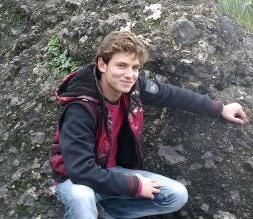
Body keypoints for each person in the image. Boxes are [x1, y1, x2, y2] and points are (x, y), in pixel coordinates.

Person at [49, 31, 247, 219]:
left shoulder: (133, 89)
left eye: (135, 68)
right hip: (75, 180)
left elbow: (172, 95)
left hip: (112, 172)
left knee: (176, 195)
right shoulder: (81, 108)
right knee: (82, 198)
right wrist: (134, 185)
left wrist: (219, 108)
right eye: (121, 66)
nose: (129, 74)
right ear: (102, 64)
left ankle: (107, 213)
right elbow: (81, 170)